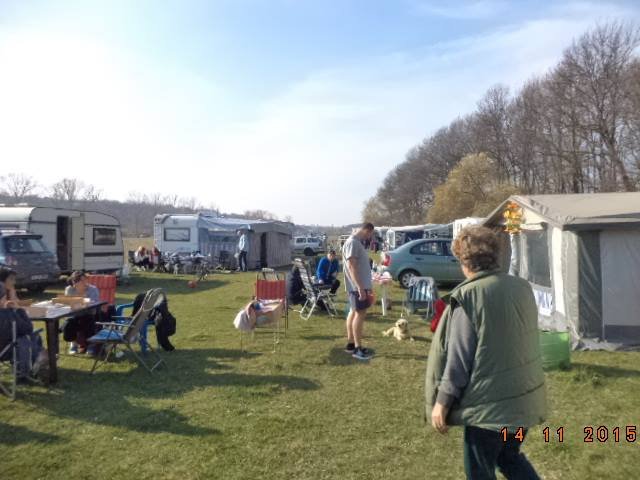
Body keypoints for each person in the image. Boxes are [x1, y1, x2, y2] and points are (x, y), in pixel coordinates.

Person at [425, 226, 547, 480]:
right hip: (523, 404)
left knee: (479, 471)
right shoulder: (521, 287)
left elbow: (459, 360)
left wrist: (441, 403)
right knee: (509, 456)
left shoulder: (469, 297)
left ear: (463, 261)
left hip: (488, 414)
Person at [0, 283, 47, 381]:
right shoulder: (8, 314)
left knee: (29, 338)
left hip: (4, 347)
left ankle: (37, 358)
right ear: (3, 298)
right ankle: (34, 361)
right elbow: (28, 328)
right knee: (28, 338)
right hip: (5, 351)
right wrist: (19, 310)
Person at [342, 222, 375, 360]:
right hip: (358, 287)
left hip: (357, 286)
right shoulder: (353, 242)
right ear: (367, 230)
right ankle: (357, 348)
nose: (369, 237)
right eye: (370, 234)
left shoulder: (355, 242)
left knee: (353, 312)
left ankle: (351, 344)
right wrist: (360, 287)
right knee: (360, 315)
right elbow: (352, 266)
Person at [65, 271, 101, 355]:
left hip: (89, 313)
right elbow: (68, 303)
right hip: (74, 314)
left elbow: (94, 303)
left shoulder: (92, 289)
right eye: (82, 280)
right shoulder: (69, 289)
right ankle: (73, 345)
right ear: (75, 282)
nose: (85, 282)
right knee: (69, 323)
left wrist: (82, 299)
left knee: (88, 322)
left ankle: (91, 345)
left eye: (85, 279)